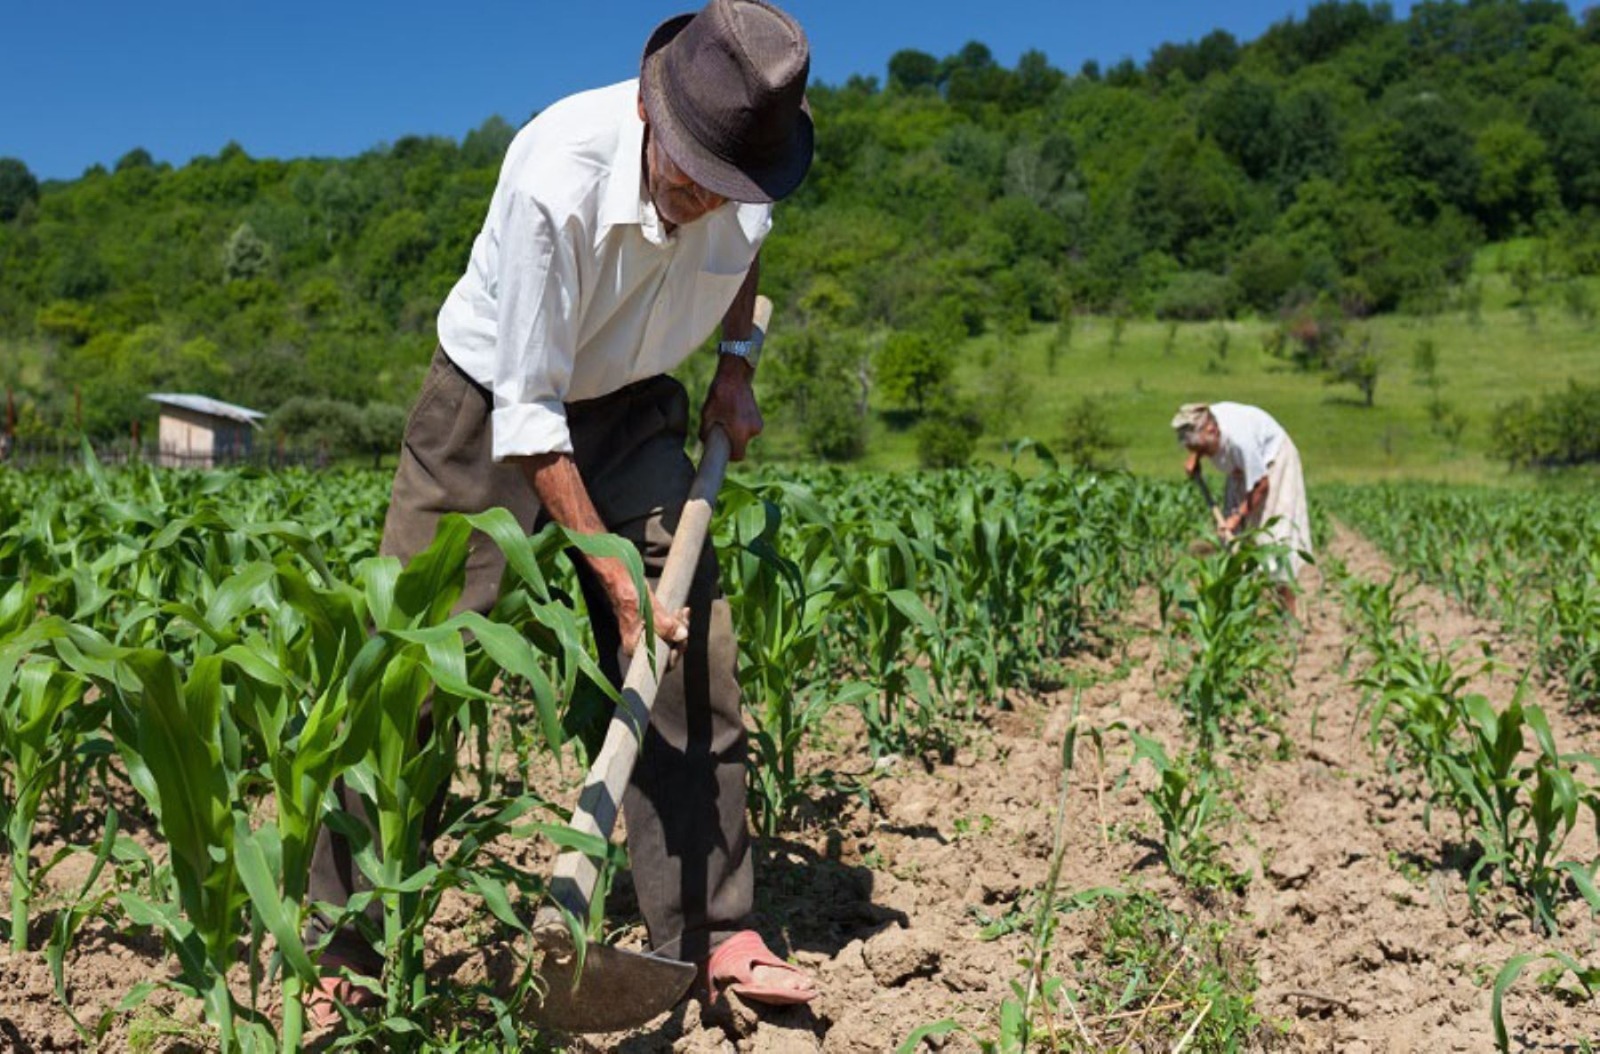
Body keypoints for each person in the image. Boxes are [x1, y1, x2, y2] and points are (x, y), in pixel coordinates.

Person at [304, 0, 819, 1026]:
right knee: (414, 657)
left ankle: (710, 934)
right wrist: (607, 571)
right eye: (685, 177)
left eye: (724, 190)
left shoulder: (747, 176)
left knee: (690, 643)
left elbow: (745, 256)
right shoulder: (555, 176)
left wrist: (736, 368)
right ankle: (340, 936)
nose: (699, 204)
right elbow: (530, 418)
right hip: (493, 398)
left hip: (634, 402)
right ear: (646, 109)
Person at [1171, 402, 1312, 614]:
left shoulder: (1240, 440)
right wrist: (1195, 457)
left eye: (1202, 449)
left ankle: (1289, 617)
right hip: (1242, 468)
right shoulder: (1204, 420)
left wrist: (1237, 517)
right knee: (1232, 540)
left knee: (1273, 541)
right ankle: (1240, 611)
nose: (1202, 453)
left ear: (1212, 431)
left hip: (1273, 463)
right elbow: (1197, 437)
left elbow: (1261, 484)